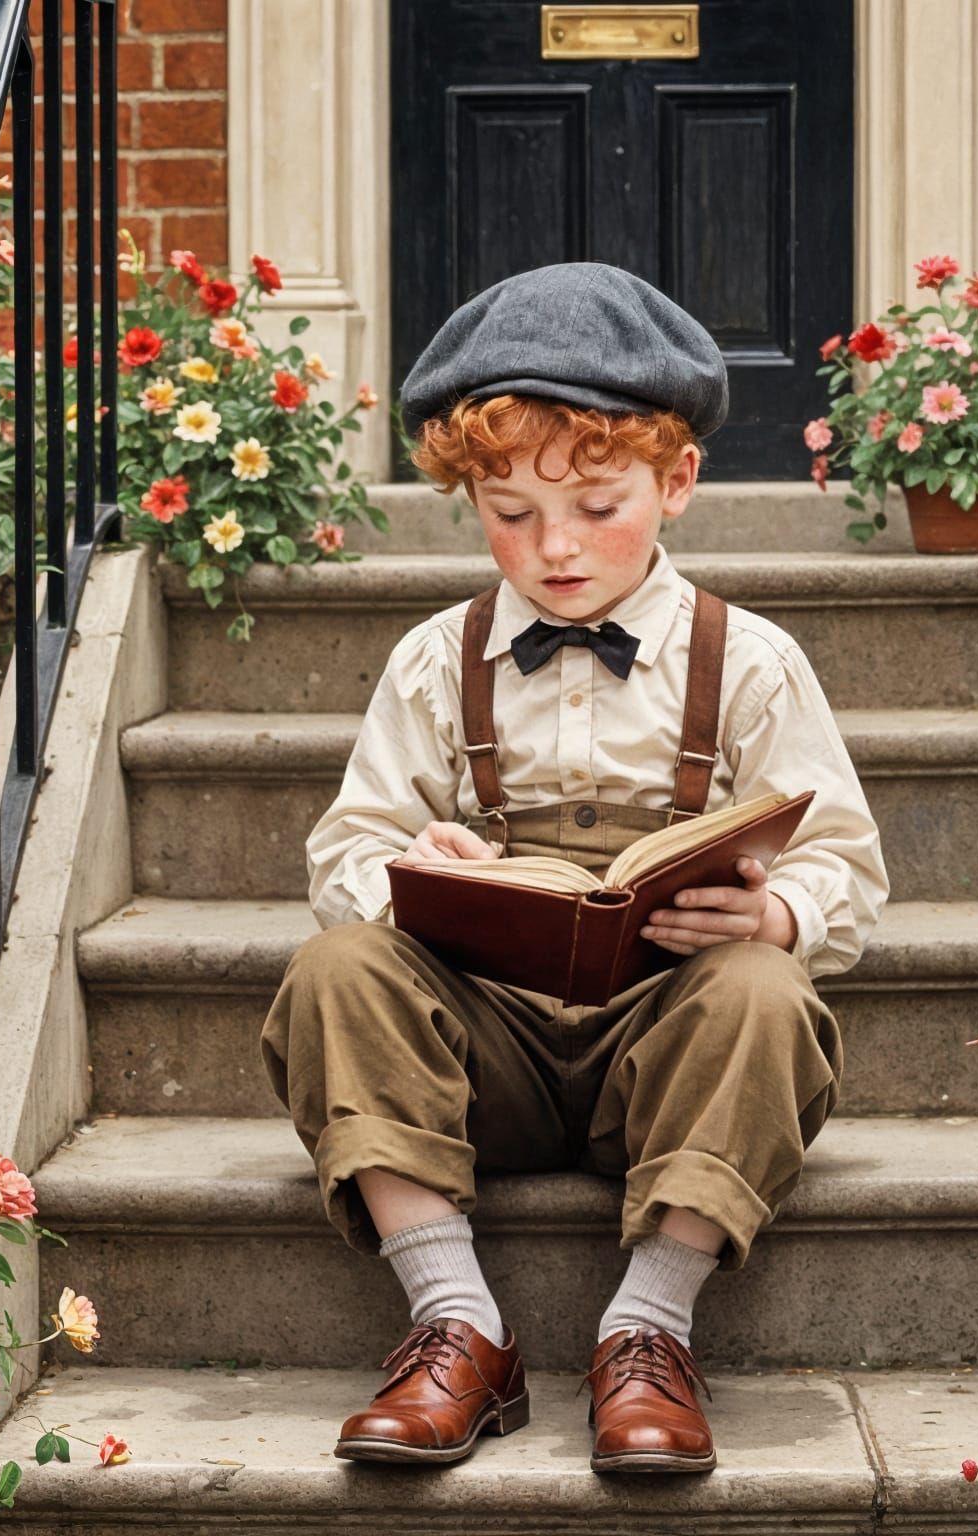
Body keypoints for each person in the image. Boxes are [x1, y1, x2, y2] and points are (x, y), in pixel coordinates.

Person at [260, 261, 889, 1475]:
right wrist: (408, 868)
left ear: (679, 482)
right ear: (469, 500)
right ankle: (459, 1326)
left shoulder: (748, 660)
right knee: (338, 969)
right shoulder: (437, 659)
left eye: (600, 508)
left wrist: (773, 921)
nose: (554, 549)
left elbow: (848, 868)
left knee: (769, 997)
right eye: (511, 514)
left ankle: (647, 1330)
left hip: (664, 1053)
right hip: (479, 1048)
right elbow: (345, 847)